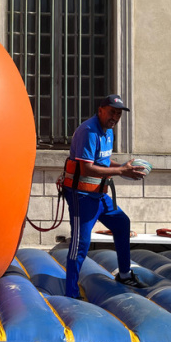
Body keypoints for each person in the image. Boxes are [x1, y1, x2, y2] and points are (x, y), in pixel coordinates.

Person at [62, 94, 147, 298]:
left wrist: (126, 167)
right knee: (80, 244)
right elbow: (87, 168)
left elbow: (103, 160)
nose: (115, 117)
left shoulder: (108, 132)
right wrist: (121, 172)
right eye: (112, 112)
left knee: (122, 224)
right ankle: (71, 292)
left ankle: (125, 274)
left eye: (118, 114)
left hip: (99, 196)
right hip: (81, 196)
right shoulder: (89, 131)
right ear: (100, 110)